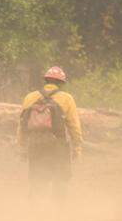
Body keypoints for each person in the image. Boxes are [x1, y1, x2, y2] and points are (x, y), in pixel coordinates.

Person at [18, 66, 83, 197]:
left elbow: (22, 124)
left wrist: (22, 146)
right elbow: (74, 125)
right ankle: (58, 212)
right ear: (61, 83)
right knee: (60, 180)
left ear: (46, 80)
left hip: (35, 144)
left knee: (37, 180)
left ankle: (35, 212)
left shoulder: (30, 97)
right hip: (58, 145)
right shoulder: (66, 98)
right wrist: (77, 146)